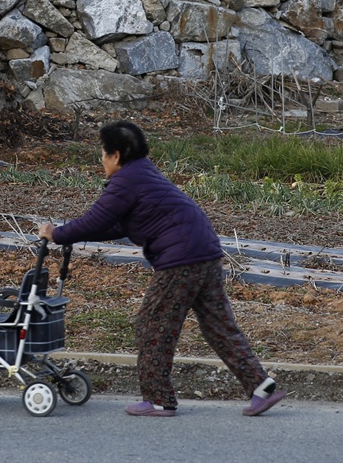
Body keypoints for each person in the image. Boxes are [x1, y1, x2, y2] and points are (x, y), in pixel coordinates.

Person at [37, 119, 286, 418]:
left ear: (116, 155)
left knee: (152, 325)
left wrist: (57, 233)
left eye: (102, 153)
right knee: (218, 325)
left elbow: (96, 219)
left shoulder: (125, 181)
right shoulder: (143, 173)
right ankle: (261, 386)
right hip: (205, 251)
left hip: (180, 260)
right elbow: (117, 224)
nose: (101, 160)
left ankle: (158, 399)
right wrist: (73, 234)